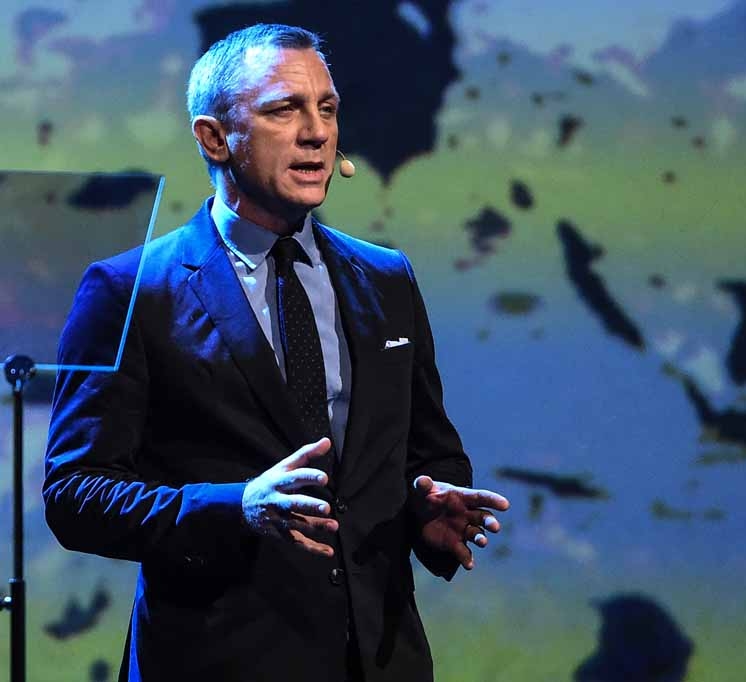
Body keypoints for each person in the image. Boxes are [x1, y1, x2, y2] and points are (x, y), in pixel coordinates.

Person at [43, 23, 508, 682]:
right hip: (215, 659)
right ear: (214, 137)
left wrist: (426, 508)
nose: (316, 131)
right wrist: (236, 508)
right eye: (284, 109)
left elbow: (426, 450)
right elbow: (76, 494)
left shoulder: (387, 278)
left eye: (328, 108)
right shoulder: (130, 289)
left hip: (380, 661)